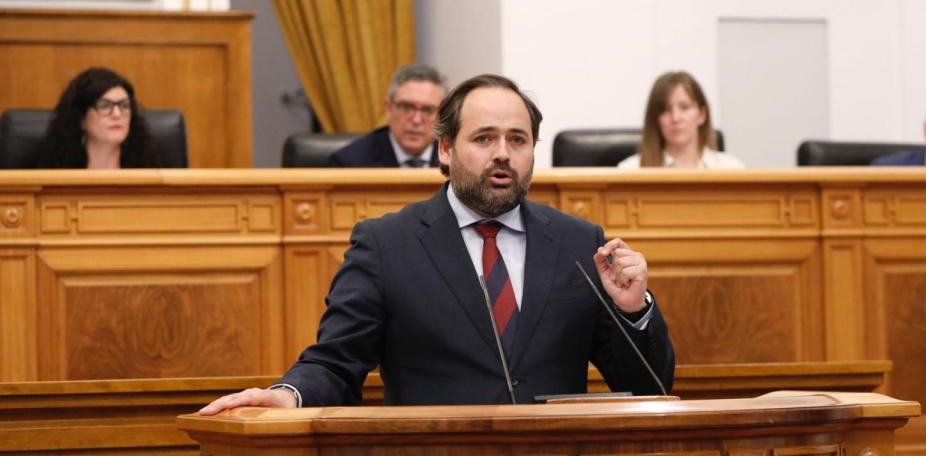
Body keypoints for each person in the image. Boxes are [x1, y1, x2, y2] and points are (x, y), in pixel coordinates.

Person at [200, 74, 674, 412]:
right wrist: (288, 395)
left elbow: (649, 386)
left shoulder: (578, 243)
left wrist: (635, 313)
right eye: (484, 138)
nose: (503, 153)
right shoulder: (386, 245)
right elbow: (337, 361)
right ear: (445, 150)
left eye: (518, 139)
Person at [37, 67, 159, 169]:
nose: (117, 114)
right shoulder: (57, 167)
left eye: (124, 105)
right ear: (81, 118)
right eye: (105, 106)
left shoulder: (148, 165)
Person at [327, 64, 446, 168]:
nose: (416, 120)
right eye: (407, 107)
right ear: (389, 108)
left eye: (428, 110)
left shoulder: (457, 162)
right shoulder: (349, 163)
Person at [618, 71, 743, 169]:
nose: (676, 118)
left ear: (701, 115)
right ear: (656, 119)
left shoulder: (731, 169)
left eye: (684, 107)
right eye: (665, 110)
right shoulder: (630, 171)